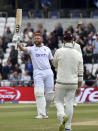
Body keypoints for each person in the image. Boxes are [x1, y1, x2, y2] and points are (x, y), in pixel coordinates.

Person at [13, 32, 54, 119]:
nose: (36, 40)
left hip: (48, 72)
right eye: (35, 38)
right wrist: (17, 42)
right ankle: (41, 114)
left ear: (41, 39)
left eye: (38, 38)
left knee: (49, 95)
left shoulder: (47, 49)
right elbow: (22, 48)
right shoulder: (31, 49)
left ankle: (45, 112)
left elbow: (52, 61)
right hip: (38, 73)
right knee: (39, 93)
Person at [53, 33, 83, 131]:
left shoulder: (59, 51)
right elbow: (80, 72)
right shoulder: (78, 54)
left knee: (58, 101)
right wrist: (79, 86)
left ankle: (62, 116)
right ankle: (68, 127)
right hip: (73, 83)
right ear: (72, 41)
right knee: (70, 103)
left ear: (64, 41)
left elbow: (55, 64)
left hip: (61, 82)